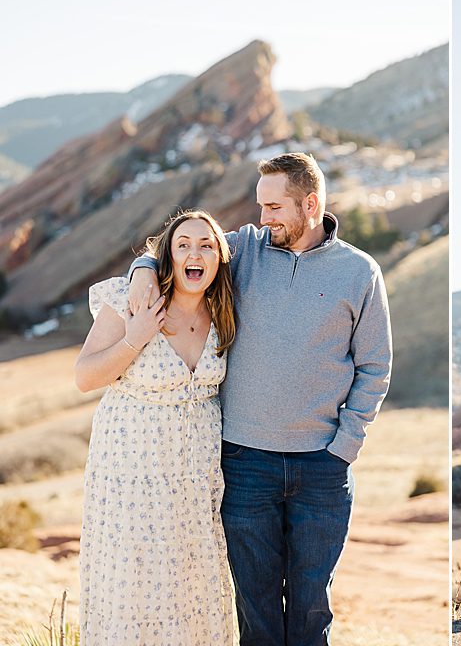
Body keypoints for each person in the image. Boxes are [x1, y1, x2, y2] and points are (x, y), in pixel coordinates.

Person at [128, 152, 392, 645]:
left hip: (322, 468)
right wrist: (144, 267)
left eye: (274, 208)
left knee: (312, 611)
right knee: (256, 608)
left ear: (309, 204)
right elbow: (184, 249)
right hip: (246, 463)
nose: (262, 218)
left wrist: (344, 447)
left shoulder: (360, 272)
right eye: (260, 206)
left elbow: (375, 366)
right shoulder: (246, 249)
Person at [75, 210, 236, 644]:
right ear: (167, 254)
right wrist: (135, 336)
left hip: (196, 483)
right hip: (131, 478)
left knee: (192, 586)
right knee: (133, 585)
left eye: (206, 245)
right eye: (183, 244)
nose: (194, 253)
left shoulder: (227, 311)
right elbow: (85, 376)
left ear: (220, 257)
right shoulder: (133, 301)